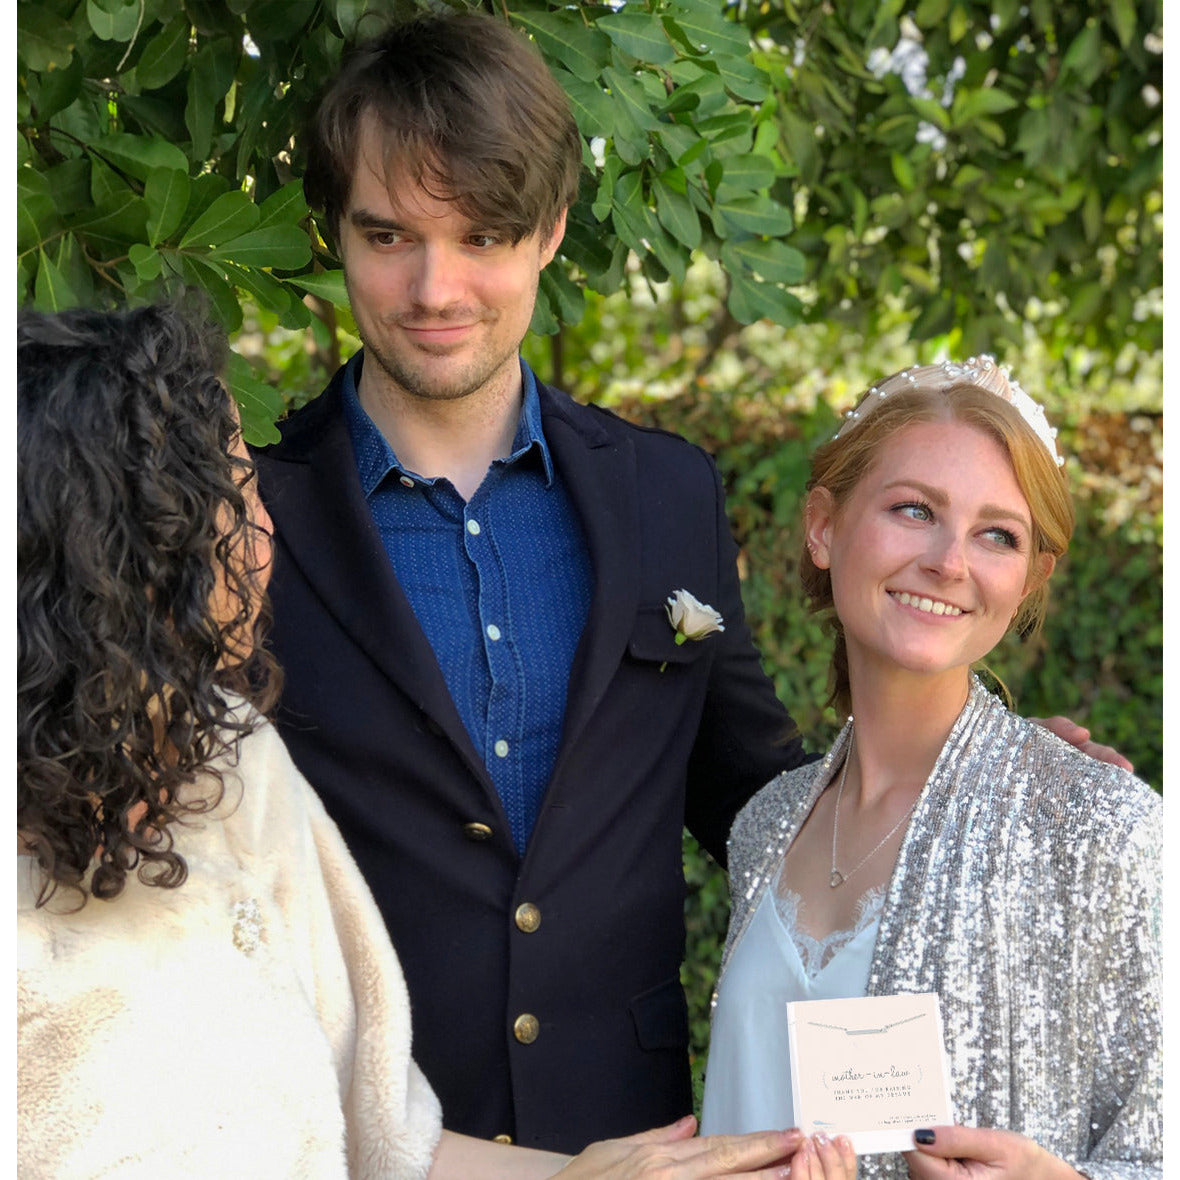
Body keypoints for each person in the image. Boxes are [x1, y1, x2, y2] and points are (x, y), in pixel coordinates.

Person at [255, 9, 1127, 1154]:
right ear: (335, 233)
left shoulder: (664, 495)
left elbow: (755, 793)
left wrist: (978, 786)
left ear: (552, 230)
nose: (436, 285)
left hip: (646, 1140)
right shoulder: (246, 516)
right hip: (355, 1138)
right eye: (388, 236)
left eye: (482, 236)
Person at [17, 302, 859, 1180]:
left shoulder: (243, 767)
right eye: (235, 491)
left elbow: (385, 1125)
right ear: (129, 554)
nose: (266, 520)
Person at [699, 359, 1161, 1179]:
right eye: (914, 510)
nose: (951, 561)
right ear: (824, 526)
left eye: (997, 534)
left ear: (1028, 582)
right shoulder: (765, 825)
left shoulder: (1099, 829)